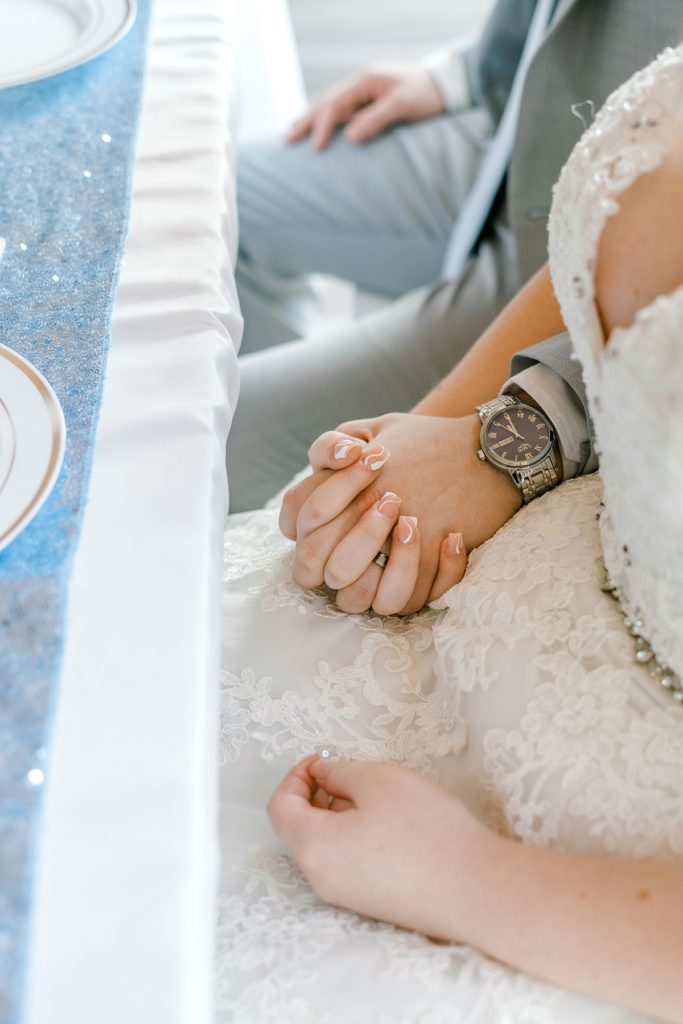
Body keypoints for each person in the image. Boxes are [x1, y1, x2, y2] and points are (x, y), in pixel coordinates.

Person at [216, 43, 683, 1022]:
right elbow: (608, 241)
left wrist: (460, 877)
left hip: (566, 882)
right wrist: (466, 439)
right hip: (499, 583)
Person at [228, 0, 683, 516]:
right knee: (214, 205)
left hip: (580, 273)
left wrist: (524, 421)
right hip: (517, 142)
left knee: (214, 433)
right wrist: (465, 74)